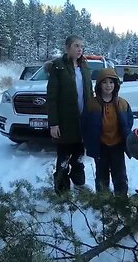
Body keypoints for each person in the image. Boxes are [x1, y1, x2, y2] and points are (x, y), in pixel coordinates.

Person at [46, 35, 93, 195]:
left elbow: (90, 93)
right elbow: (51, 98)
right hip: (65, 123)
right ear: (67, 48)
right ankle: (61, 191)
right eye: (76, 46)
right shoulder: (58, 67)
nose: (80, 49)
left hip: (82, 122)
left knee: (79, 157)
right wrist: (53, 123)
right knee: (64, 159)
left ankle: (79, 184)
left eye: (81, 46)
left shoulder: (85, 67)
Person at [81, 68, 133, 196]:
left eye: (111, 82)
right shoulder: (92, 104)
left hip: (117, 145)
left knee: (120, 175)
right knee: (101, 176)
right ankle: (103, 202)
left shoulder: (122, 103)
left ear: (116, 85)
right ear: (99, 85)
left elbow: (129, 122)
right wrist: (89, 143)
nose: (108, 85)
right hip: (100, 146)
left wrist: (126, 139)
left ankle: (121, 200)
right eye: (104, 82)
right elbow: (84, 125)